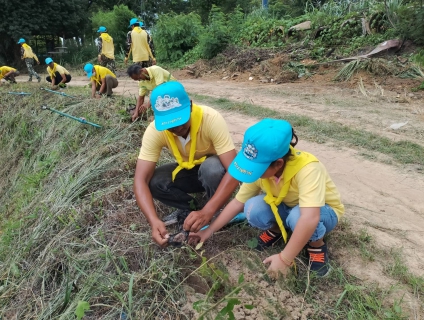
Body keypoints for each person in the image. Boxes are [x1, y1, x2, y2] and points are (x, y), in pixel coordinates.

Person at [190, 119, 345, 277]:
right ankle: (277, 229)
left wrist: (285, 258)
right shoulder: (261, 169)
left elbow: (309, 218)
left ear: (278, 164)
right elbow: (238, 203)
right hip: (287, 207)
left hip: (321, 212)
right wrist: (208, 231)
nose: (251, 172)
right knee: (252, 207)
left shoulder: (308, 169)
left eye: (255, 168)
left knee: (298, 217)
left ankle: (316, 245)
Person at [133, 81, 240, 247]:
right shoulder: (155, 131)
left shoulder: (210, 119)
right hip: (190, 171)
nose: (176, 126)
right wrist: (153, 220)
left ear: (190, 105)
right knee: (156, 181)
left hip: (216, 170)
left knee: (211, 169)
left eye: (180, 119)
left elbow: (234, 170)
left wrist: (209, 210)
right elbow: (140, 180)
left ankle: (217, 209)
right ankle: (190, 209)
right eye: (169, 123)